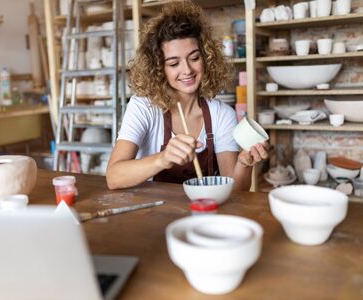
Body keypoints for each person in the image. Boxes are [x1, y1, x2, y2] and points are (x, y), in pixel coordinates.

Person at [106, 0, 268, 190]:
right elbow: (113, 177)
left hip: (204, 211)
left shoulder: (221, 114)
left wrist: (243, 164)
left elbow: (234, 192)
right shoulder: (144, 107)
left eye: (194, 58)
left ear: (206, 58)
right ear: (159, 68)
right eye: (174, 63)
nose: (187, 70)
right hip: (153, 213)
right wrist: (163, 158)